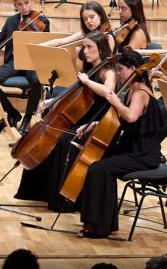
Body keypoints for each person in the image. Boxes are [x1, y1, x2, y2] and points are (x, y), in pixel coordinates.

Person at [15, 30, 117, 210]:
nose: (84, 51)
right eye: (84, 47)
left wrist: (88, 82)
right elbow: (74, 91)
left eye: (89, 47)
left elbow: (109, 92)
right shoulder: (89, 69)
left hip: (94, 123)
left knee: (62, 141)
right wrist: (51, 101)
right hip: (79, 119)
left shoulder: (108, 72)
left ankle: (63, 200)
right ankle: (38, 191)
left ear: (101, 50)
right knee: (46, 139)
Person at [79, 50, 167, 238]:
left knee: (99, 168)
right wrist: (95, 124)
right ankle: (99, 222)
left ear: (133, 69)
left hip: (143, 153)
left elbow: (130, 115)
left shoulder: (141, 92)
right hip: (130, 146)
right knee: (97, 162)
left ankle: (99, 227)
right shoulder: (131, 90)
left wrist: (114, 100)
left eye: (120, 69)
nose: (118, 73)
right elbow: (122, 119)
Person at [0, 0, 50, 132]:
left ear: (31, 1)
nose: (24, 7)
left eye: (26, 3)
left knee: (37, 81)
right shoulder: (11, 21)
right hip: (14, 62)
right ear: (15, 5)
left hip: (32, 63)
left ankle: (27, 119)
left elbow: (46, 45)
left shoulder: (42, 21)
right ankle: (12, 113)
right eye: (20, 4)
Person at [41, 1, 114, 54]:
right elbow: (61, 41)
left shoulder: (108, 37)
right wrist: (41, 46)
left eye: (92, 17)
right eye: (85, 19)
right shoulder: (84, 34)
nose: (88, 21)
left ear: (100, 16)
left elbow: (105, 62)